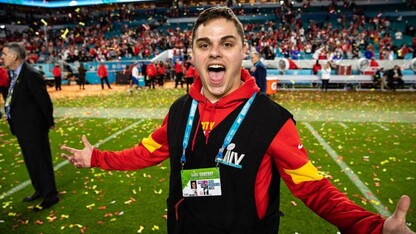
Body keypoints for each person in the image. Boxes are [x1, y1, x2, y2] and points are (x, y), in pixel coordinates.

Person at [60, 6, 414, 234]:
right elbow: (145, 151)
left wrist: (375, 227)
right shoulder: (180, 110)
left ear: (242, 52)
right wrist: (97, 159)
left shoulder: (272, 120)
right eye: (204, 44)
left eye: (226, 43)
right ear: (194, 55)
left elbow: (313, 188)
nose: (214, 51)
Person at [2, 42, 59, 211]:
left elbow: (44, 101)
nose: (2, 57)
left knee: (41, 161)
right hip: (22, 127)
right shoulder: (15, 74)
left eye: (4, 54)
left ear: (14, 56)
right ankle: (39, 190)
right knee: (31, 161)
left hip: (34, 128)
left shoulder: (30, 74)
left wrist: (49, 122)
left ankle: (50, 195)